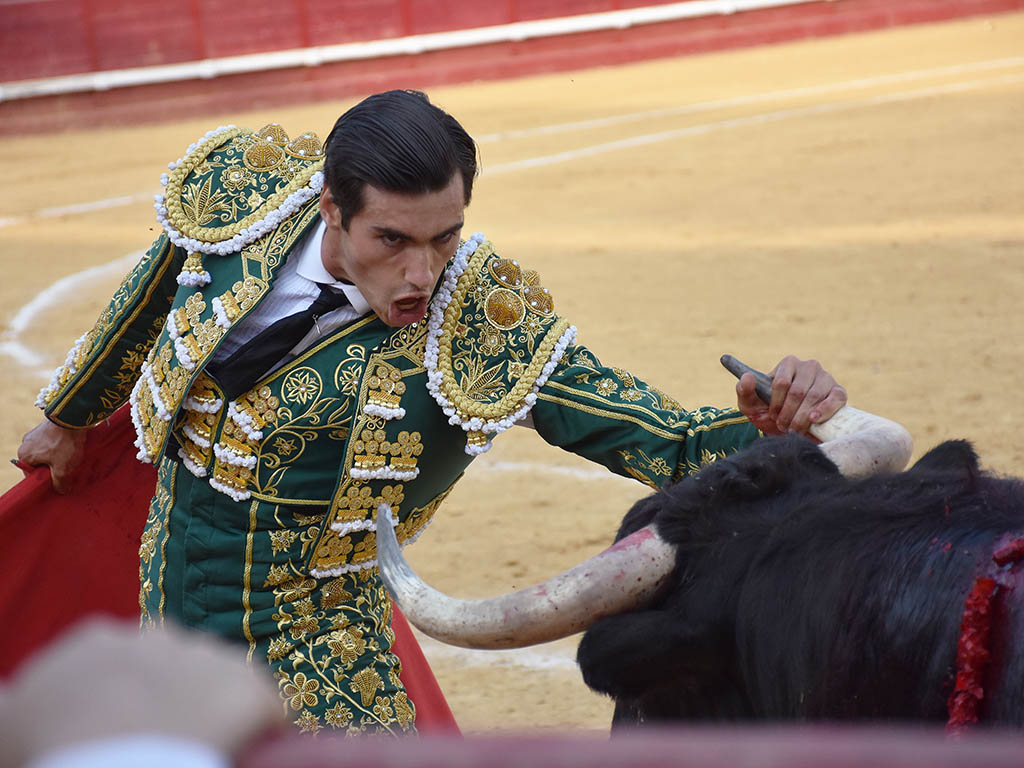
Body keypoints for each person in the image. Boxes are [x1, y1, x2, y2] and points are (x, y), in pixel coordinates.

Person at [18, 90, 846, 734]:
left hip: (317, 637)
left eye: (444, 237)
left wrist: (781, 428)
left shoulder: (481, 323)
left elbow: (664, 441)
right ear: (331, 208)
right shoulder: (250, 193)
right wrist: (70, 414)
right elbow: (158, 287)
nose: (423, 274)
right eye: (393, 240)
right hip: (165, 583)